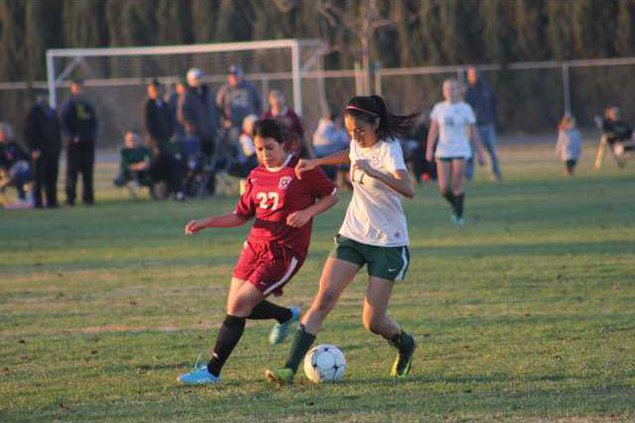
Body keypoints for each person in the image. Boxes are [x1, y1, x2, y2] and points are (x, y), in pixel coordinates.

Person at [265, 95, 418, 385]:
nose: (355, 137)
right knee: (322, 300)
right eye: (350, 132)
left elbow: (409, 189)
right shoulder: (357, 142)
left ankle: (405, 344)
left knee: (372, 322)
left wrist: (376, 172)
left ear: (375, 122)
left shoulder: (389, 148)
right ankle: (288, 369)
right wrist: (317, 162)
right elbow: (350, 154)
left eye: (359, 130)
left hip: (387, 242)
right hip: (353, 233)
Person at [177, 119, 338, 386]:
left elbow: (332, 195)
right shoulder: (255, 175)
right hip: (254, 247)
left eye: (270, 148)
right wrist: (206, 222)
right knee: (235, 306)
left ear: (283, 144)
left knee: (239, 305)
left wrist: (307, 213)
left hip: (283, 252)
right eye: (260, 149)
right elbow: (241, 215)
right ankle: (285, 316)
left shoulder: (301, 169)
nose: (265, 154)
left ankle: (212, 371)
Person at [426, 79, 485, 226]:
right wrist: (429, 149)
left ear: (459, 91)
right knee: (444, 188)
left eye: (453, 89)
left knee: (457, 185)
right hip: (443, 150)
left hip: (461, 149)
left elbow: (474, 132)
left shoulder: (465, 108)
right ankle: (456, 205)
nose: (450, 92)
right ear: (443, 92)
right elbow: (433, 131)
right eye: (447, 89)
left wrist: (480, 153)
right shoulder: (439, 108)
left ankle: (459, 216)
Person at [178, 68, 219, 195]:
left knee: (211, 163)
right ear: (190, 81)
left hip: (210, 134)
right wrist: (190, 125)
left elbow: (215, 111)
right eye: (196, 79)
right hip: (196, 137)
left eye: (200, 78)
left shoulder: (208, 93)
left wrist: (217, 126)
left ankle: (210, 189)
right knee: (198, 163)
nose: (198, 81)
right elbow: (181, 115)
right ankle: (195, 189)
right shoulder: (187, 95)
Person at [60, 79, 98, 206]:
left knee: (88, 172)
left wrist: (92, 135)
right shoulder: (68, 105)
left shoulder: (88, 105)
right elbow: (64, 123)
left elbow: (94, 122)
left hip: (88, 143)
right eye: (77, 87)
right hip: (74, 145)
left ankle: (88, 198)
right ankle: (70, 199)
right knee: (72, 172)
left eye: (81, 86)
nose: (80, 89)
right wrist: (72, 137)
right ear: (72, 88)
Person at [145, 80, 185, 200]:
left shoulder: (164, 104)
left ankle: (177, 191)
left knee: (175, 163)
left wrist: (171, 135)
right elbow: (149, 125)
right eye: (153, 90)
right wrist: (157, 141)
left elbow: (171, 121)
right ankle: (176, 191)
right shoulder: (149, 106)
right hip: (157, 143)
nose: (155, 92)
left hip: (167, 142)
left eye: (157, 89)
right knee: (166, 164)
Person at [24, 90, 62, 208]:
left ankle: (52, 202)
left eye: (45, 96)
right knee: (38, 178)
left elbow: (57, 130)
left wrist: (58, 147)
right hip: (40, 151)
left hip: (53, 150)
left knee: (52, 177)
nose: (44, 99)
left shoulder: (52, 112)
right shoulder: (34, 112)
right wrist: (33, 149)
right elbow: (29, 132)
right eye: (41, 97)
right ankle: (38, 202)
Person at [465, 66, 501, 181]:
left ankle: (495, 174)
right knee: (470, 153)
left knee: (491, 152)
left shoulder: (487, 89)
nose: (473, 76)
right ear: (468, 76)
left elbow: (495, 105)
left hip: (487, 125)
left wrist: (493, 119)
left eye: (475, 74)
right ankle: (469, 177)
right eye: (471, 74)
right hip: (472, 128)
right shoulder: (467, 92)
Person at [262, 89, 311, 157]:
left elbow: (301, 132)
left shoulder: (292, 115)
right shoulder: (266, 116)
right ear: (270, 100)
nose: (277, 99)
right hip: (273, 152)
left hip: (291, 150)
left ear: (283, 98)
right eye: (274, 97)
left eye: (279, 96)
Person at [216, 64, 262, 131]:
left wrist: (257, 118)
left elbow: (259, 104)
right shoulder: (224, 91)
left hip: (249, 125)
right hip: (233, 125)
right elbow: (218, 108)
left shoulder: (250, 88)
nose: (234, 78)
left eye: (236, 76)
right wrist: (224, 121)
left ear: (241, 76)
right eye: (231, 76)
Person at [312, 112, 350, 181]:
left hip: (333, 155)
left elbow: (346, 141)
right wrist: (338, 134)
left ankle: (343, 182)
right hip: (323, 156)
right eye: (339, 119)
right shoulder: (325, 127)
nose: (341, 121)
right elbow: (327, 140)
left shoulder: (338, 128)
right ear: (334, 119)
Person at [0, 123, 32, 202]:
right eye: (2, 133)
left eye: (5, 132)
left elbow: (26, 156)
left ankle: (28, 196)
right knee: (20, 170)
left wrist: (33, 156)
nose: (4, 134)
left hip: (20, 170)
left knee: (25, 169)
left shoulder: (13, 145)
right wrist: (3, 172)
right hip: (7, 172)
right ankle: (23, 196)